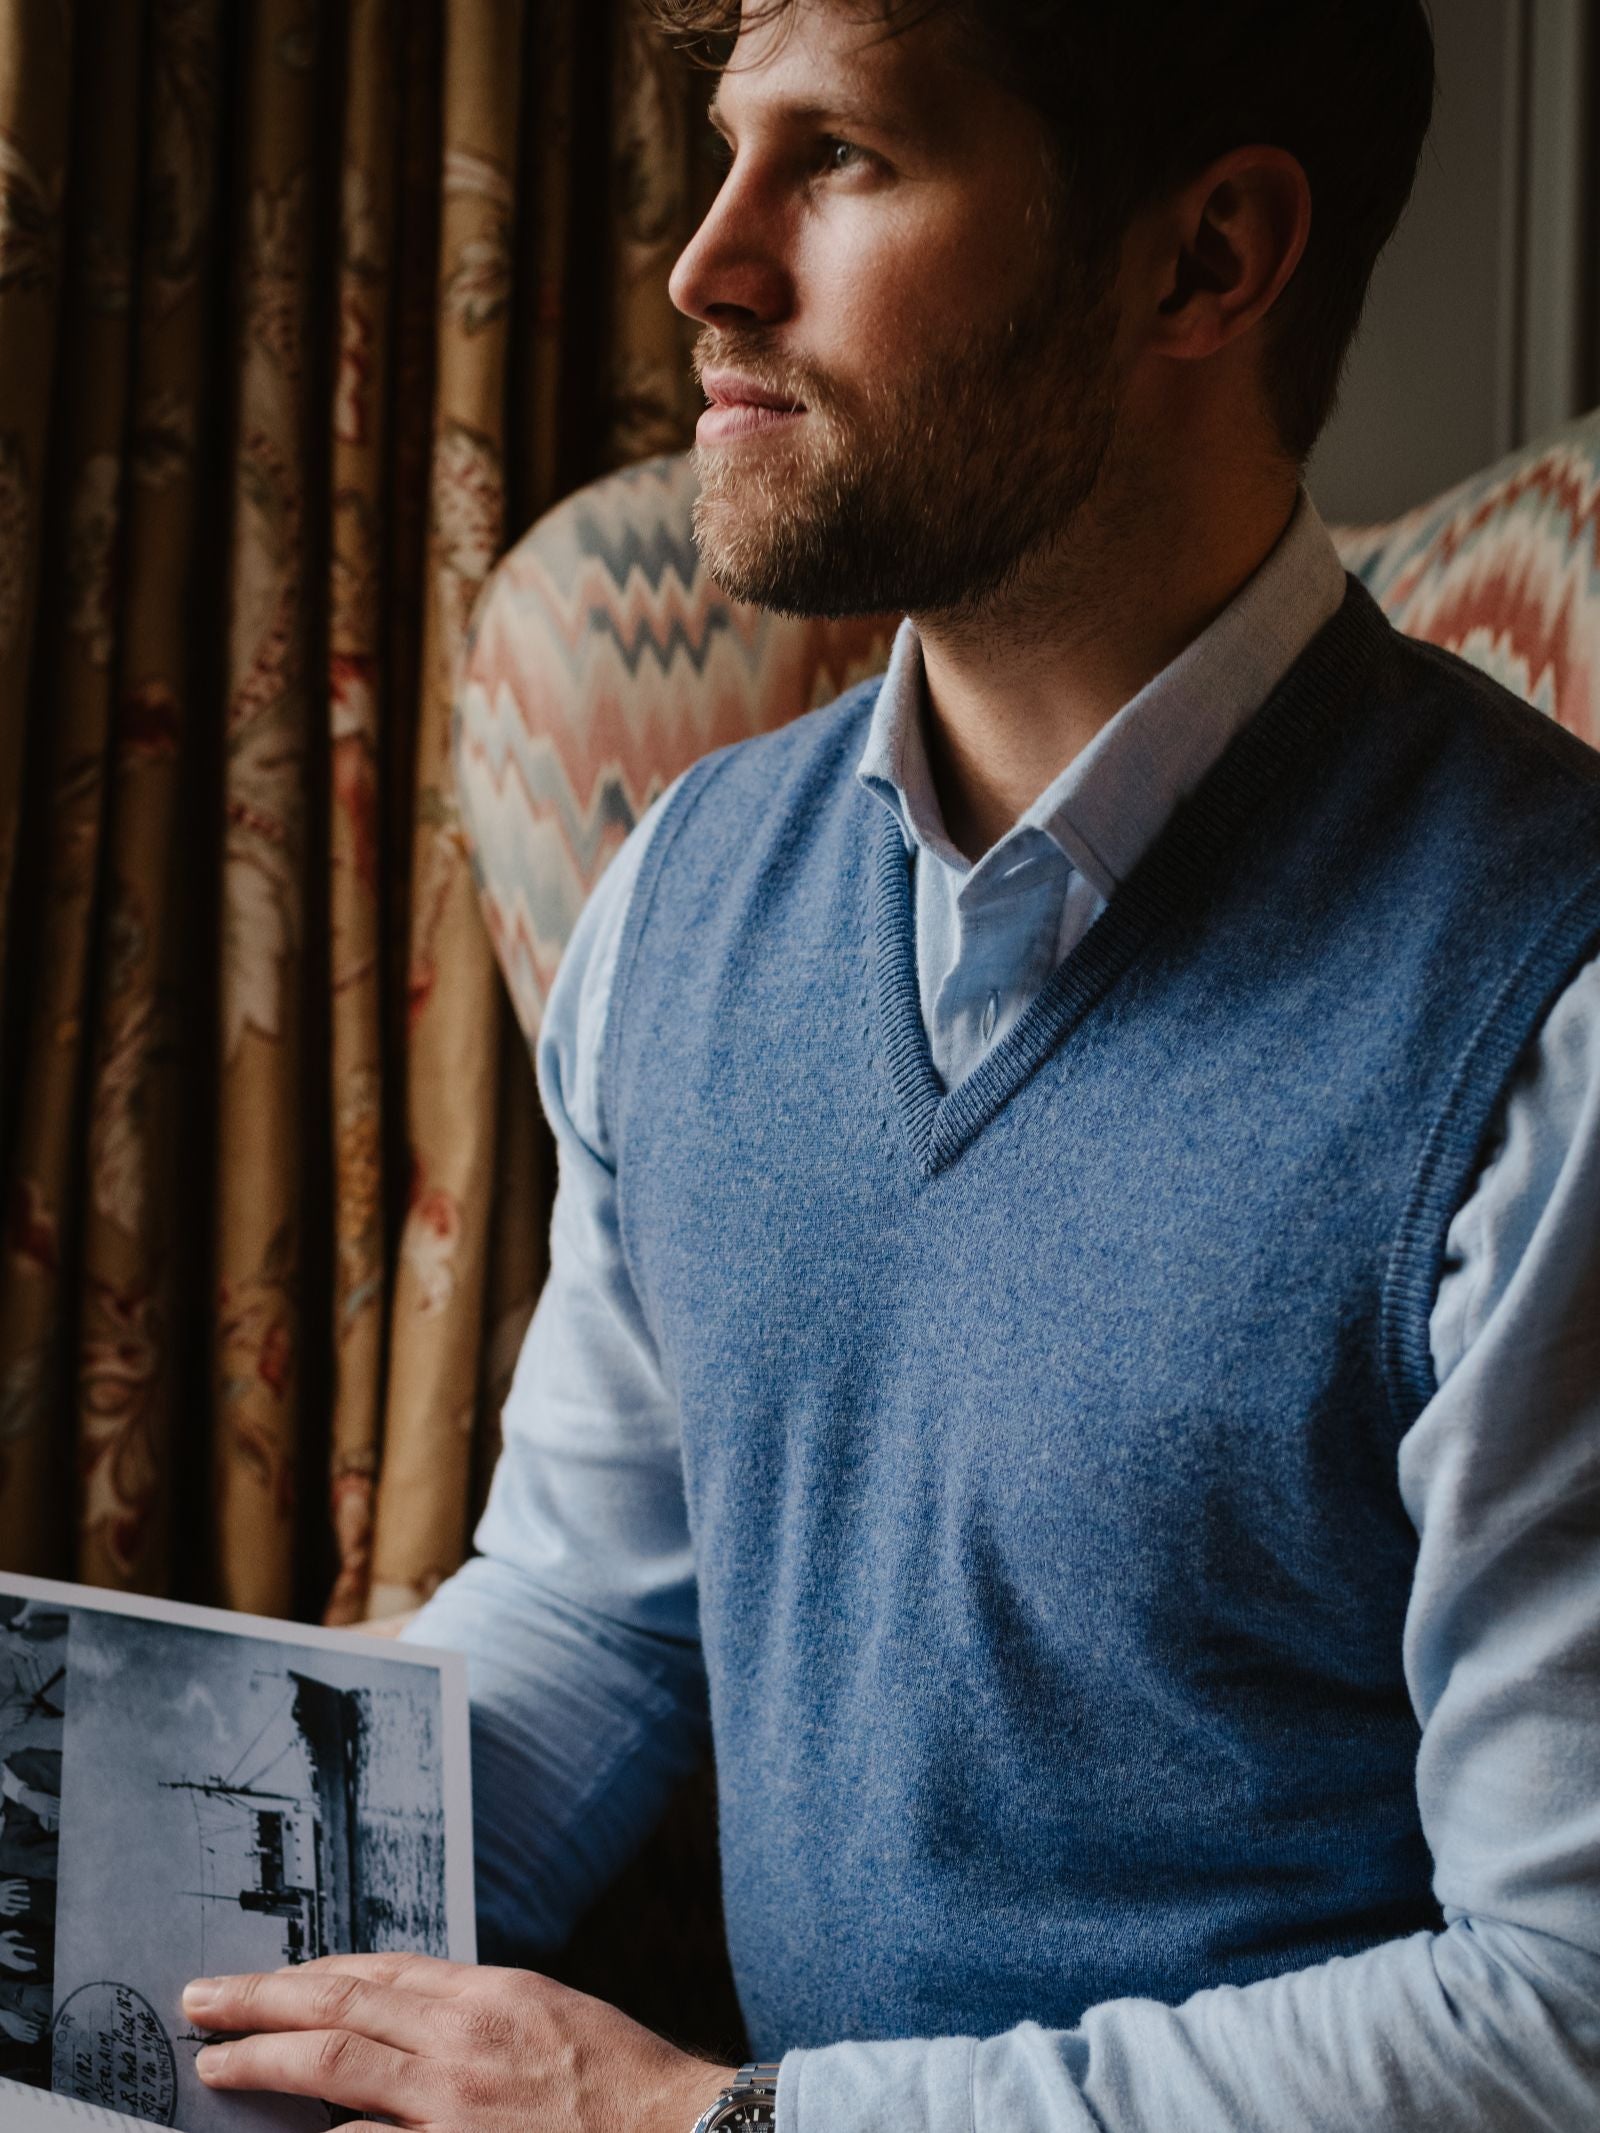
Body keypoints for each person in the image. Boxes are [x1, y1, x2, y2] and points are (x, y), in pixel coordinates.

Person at [183, 3, 1600, 2130]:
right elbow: (595, 1606)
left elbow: (1556, 2012)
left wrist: (705, 2123)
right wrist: (142, 1922)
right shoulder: (682, 890)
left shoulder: (1545, 1003)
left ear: (1203, 260)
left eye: (838, 154)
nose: (704, 261)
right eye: (722, 141)